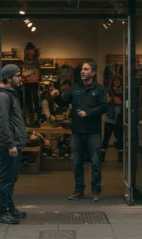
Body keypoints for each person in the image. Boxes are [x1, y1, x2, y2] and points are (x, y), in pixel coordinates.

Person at [52, 62, 107, 202]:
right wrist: (56, 96)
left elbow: (104, 107)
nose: (83, 71)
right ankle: (78, 190)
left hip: (93, 132)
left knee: (95, 162)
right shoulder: (74, 89)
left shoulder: (99, 89)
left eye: (86, 69)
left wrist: (88, 113)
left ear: (93, 73)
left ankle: (95, 191)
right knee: (77, 163)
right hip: (77, 131)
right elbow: (64, 103)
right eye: (82, 69)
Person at [0, 64, 27, 224]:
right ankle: (2, 212)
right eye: (17, 75)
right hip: (8, 145)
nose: (20, 78)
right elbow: (2, 123)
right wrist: (10, 144)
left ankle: (10, 206)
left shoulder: (11, 94)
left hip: (14, 143)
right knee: (5, 178)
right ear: (8, 78)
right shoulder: (2, 96)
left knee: (11, 178)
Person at [101, 74, 124, 163]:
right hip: (110, 117)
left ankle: (121, 156)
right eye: (115, 80)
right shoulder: (109, 90)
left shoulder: (124, 91)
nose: (117, 82)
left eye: (119, 80)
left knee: (119, 137)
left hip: (119, 117)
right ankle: (102, 155)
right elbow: (105, 102)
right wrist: (111, 100)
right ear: (113, 82)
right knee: (106, 137)